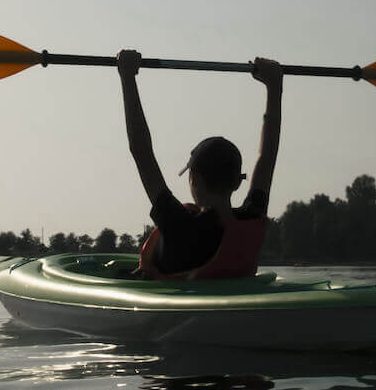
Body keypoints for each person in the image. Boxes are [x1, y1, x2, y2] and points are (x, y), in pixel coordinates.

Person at [117, 49, 283, 279]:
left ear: (195, 179)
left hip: (170, 307)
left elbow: (141, 152)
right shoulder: (252, 217)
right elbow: (267, 156)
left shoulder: (179, 226)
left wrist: (126, 76)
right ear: (237, 182)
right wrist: (274, 86)